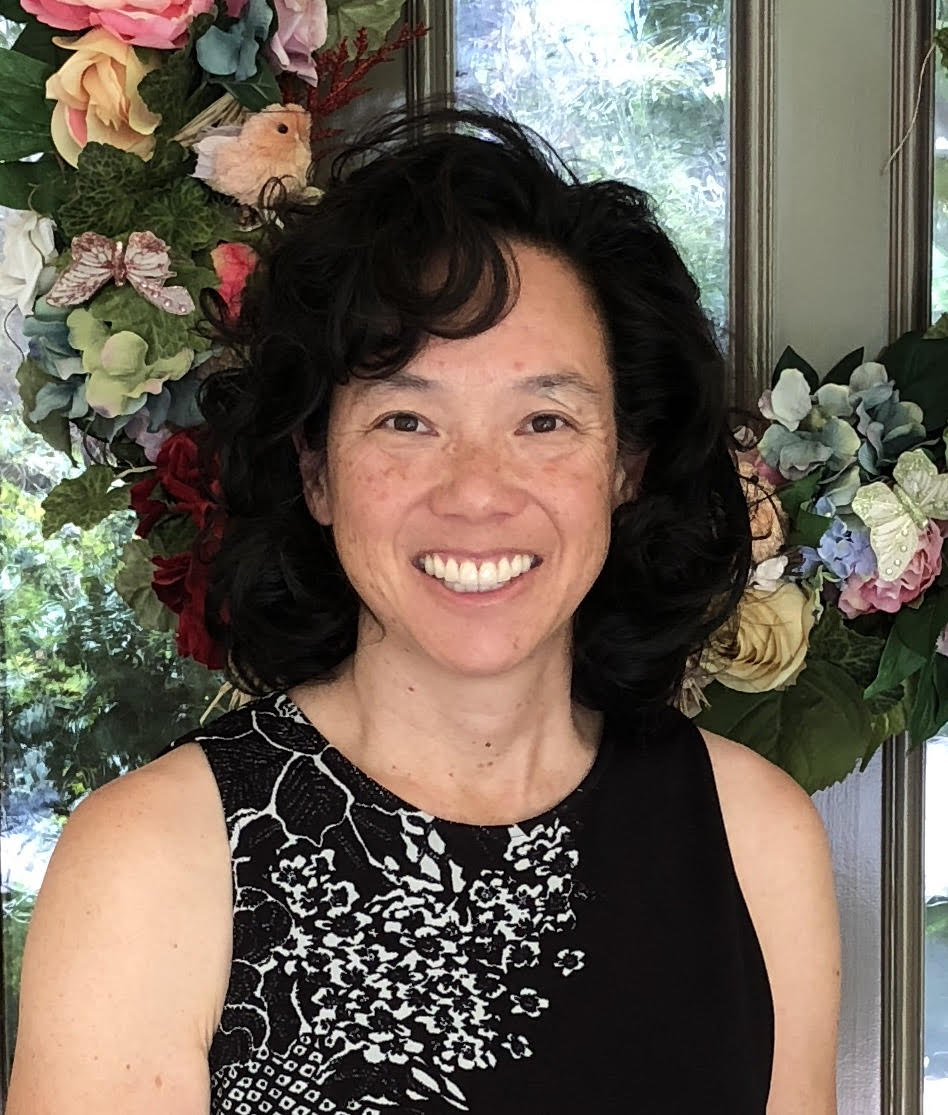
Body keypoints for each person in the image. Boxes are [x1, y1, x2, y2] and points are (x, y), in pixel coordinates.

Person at [7, 105, 840, 1114]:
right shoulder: (149, 860)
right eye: (407, 418)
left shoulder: (757, 836)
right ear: (316, 470)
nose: (477, 490)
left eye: (545, 419)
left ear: (626, 466)